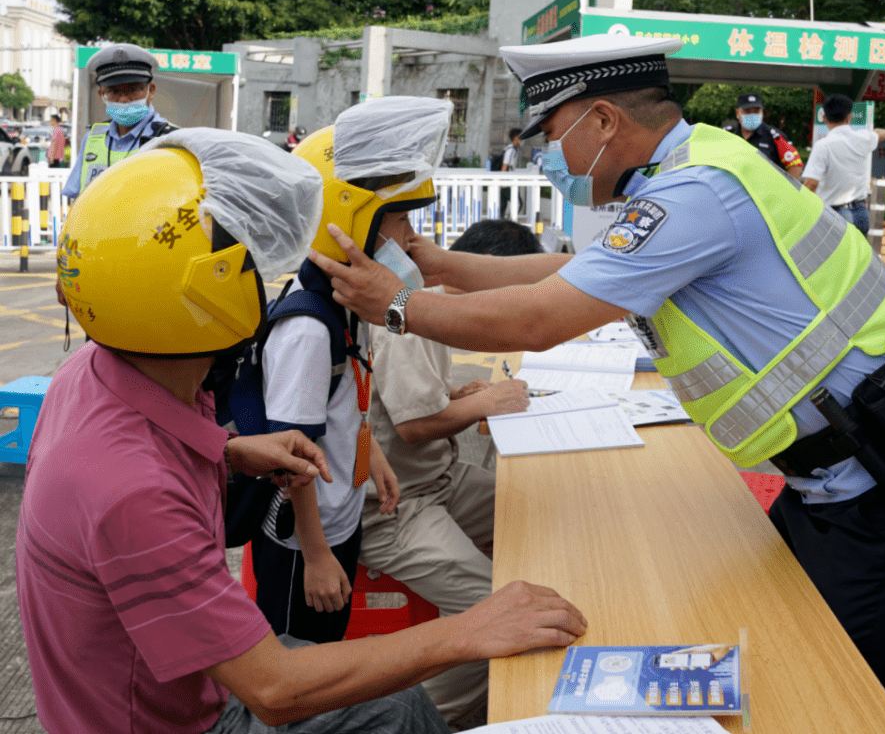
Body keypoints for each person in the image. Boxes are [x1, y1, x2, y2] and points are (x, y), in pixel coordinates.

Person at [307, 33, 885, 731]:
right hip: (849, 476)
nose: (547, 158)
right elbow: (569, 273)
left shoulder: (693, 194)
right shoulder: (696, 169)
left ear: (603, 121)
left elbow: (543, 318)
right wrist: (443, 266)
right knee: (781, 653)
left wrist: (396, 304)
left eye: (551, 135)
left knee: (838, 703)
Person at [18, 128, 586, 734]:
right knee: (400, 711)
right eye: (245, 265)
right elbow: (274, 690)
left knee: (400, 701)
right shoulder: (135, 493)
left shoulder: (91, 371)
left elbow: (119, 468)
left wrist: (230, 450)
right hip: (170, 719)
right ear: (206, 294)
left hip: (155, 675)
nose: (263, 280)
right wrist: (469, 631)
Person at [250, 103, 422, 647]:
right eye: (402, 221)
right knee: (303, 661)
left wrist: (375, 463)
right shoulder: (307, 327)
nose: (413, 239)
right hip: (305, 540)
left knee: (329, 643)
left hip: (339, 517)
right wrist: (319, 557)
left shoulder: (349, 301)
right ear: (350, 223)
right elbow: (292, 455)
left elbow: (347, 400)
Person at [361, 217, 538, 726]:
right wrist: (491, 403)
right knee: (492, 609)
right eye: (403, 224)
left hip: (439, 479)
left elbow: (409, 402)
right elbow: (415, 425)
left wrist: (456, 397)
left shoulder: (413, 300)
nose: (414, 238)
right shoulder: (398, 309)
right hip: (398, 506)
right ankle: (434, 718)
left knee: (539, 513)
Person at [56, 42, 177, 306]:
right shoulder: (94, 138)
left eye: (133, 90)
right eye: (114, 91)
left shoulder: (171, 140)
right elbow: (76, 206)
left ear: (150, 90)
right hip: (95, 264)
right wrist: (63, 266)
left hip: (147, 266)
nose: (123, 99)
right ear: (102, 94)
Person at [802, 94, 885, 236]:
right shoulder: (862, 138)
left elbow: (811, 184)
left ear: (825, 118)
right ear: (849, 117)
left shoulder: (823, 146)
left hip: (835, 215)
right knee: (856, 256)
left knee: (835, 256)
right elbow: (878, 133)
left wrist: (801, 210)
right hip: (861, 214)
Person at [723, 91, 804, 178]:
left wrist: (785, 190)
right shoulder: (727, 135)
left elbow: (795, 166)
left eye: (756, 112)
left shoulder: (775, 136)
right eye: (747, 112)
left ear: (762, 112)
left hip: (765, 190)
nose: (752, 115)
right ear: (737, 113)